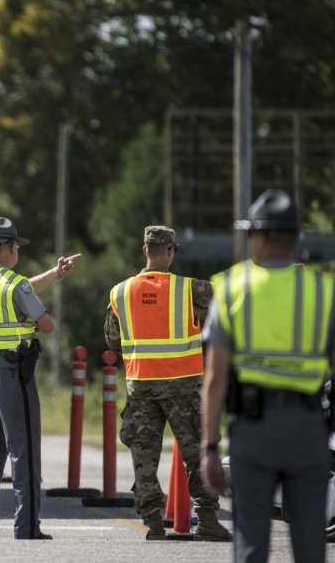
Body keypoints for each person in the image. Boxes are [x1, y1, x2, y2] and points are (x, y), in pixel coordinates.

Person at [201, 189, 334, 563]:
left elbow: (215, 380)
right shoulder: (324, 292)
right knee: (310, 547)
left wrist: (210, 448)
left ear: (256, 236)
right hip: (309, 431)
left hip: (253, 433)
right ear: (295, 236)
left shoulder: (231, 290)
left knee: (251, 546)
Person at [105, 225, 231, 541]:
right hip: (183, 386)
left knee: (144, 457)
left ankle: (153, 522)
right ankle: (208, 522)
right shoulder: (191, 289)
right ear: (171, 251)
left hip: (141, 385)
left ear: (144, 250)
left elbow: (112, 341)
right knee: (197, 452)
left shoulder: (120, 292)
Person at [0, 217, 80, 539]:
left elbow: (22, 289)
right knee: (23, 448)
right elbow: (47, 324)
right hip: (12, 374)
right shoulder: (15, 285)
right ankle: (27, 526)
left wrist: (56, 274)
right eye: (17, 246)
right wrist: (38, 319)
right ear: (11, 248)